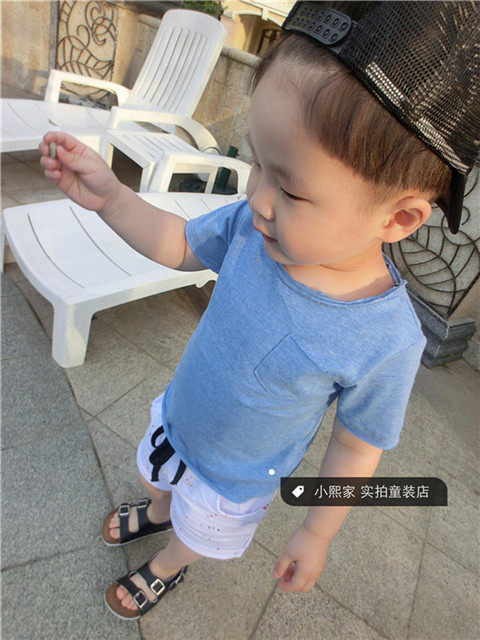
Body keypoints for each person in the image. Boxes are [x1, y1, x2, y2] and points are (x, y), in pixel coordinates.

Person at [38, 1, 477, 621]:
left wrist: (316, 532)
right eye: (256, 164)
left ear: (398, 217)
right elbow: (179, 244)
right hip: (183, 416)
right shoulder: (252, 227)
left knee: (198, 527)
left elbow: (355, 451)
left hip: (237, 478)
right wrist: (111, 197)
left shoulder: (386, 338)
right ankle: (158, 510)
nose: (259, 198)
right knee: (159, 479)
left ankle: (167, 565)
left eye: (290, 188)